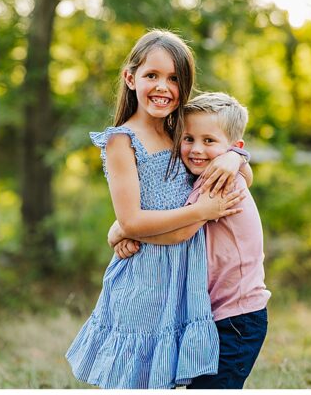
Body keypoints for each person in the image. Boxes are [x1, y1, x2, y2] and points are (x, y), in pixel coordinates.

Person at [66, 30, 251, 388]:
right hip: (146, 281)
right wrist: (201, 212)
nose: (162, 86)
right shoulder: (122, 140)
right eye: (152, 75)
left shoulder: (181, 130)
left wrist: (234, 156)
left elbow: (238, 168)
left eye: (174, 78)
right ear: (130, 77)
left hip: (183, 281)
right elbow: (132, 217)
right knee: (137, 379)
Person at [107, 92, 271, 389]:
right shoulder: (203, 175)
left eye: (209, 141)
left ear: (234, 146)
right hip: (216, 314)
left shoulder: (217, 183)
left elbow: (178, 231)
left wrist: (122, 230)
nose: (196, 149)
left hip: (237, 319)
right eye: (188, 138)